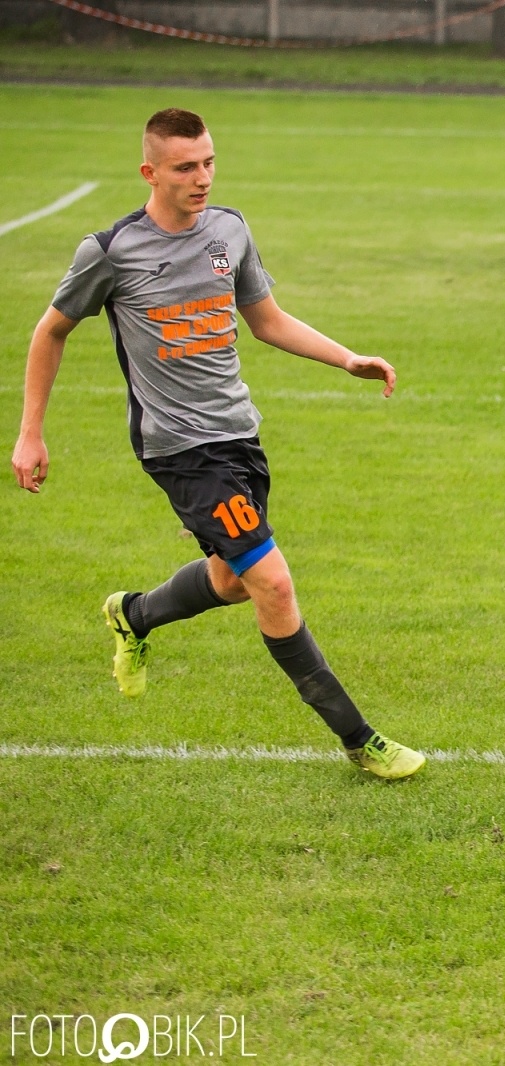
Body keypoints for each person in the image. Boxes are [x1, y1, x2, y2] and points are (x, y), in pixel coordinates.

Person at [10, 107, 425, 781]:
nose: (201, 178)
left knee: (233, 581)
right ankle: (360, 739)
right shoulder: (112, 251)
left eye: (208, 162)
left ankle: (134, 614)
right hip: (179, 449)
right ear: (150, 172)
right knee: (272, 583)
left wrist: (347, 358)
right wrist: (30, 432)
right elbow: (50, 331)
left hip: (239, 435)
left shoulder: (229, 230)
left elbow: (267, 319)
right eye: (185, 167)